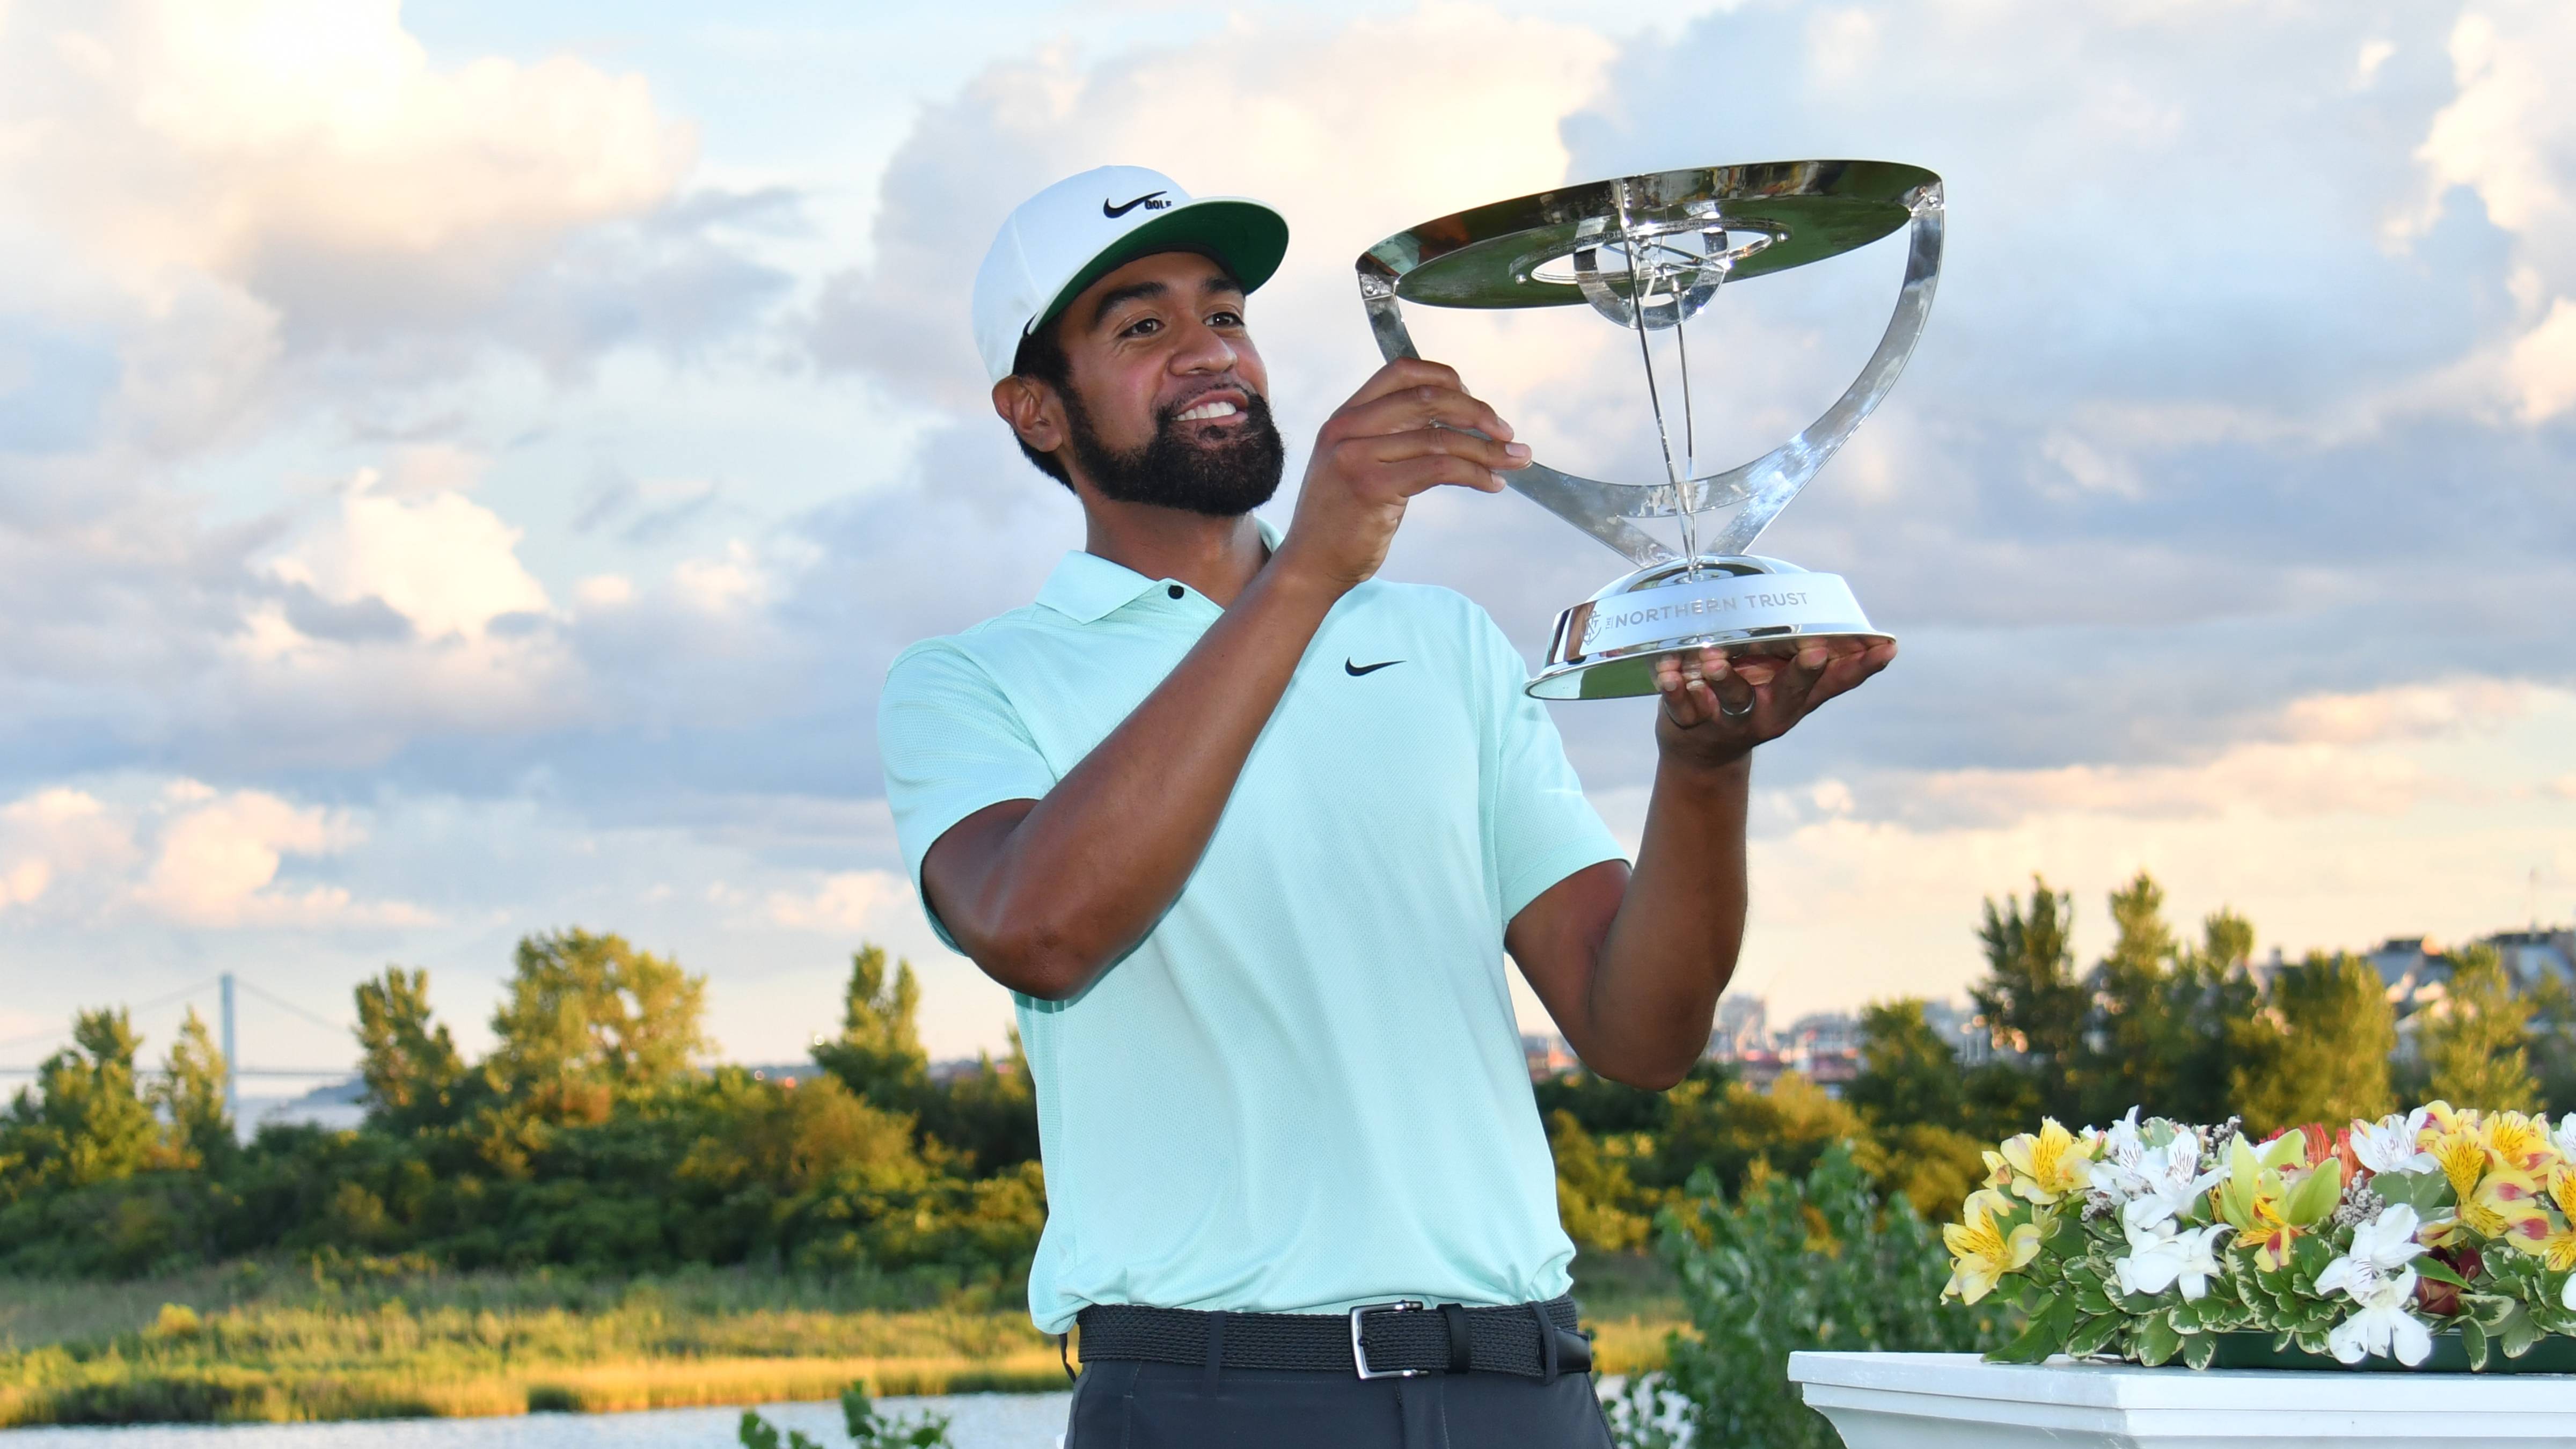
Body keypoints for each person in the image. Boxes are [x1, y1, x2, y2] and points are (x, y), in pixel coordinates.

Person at [877, 165, 1892, 1448]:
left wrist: (1702, 768)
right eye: (1143, 328)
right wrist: (1307, 571)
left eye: (1227, 313)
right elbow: (1042, 930)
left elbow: (1643, 1035)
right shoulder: (971, 683)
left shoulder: (1445, 644)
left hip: (1528, 1388)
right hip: (1216, 1400)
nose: (1210, 354)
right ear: (1035, 411)